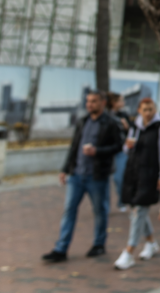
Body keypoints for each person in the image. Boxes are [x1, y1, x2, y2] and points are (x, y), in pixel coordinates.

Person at [41, 90, 123, 262]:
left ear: (102, 102)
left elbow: (118, 146)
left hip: (97, 176)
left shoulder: (110, 123)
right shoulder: (82, 122)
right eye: (88, 101)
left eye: (93, 101)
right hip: (77, 176)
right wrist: (65, 169)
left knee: (100, 211)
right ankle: (61, 249)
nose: (89, 104)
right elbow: (74, 146)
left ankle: (99, 244)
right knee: (69, 211)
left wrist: (97, 151)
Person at [114, 98, 160, 270]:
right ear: (139, 110)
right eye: (145, 109)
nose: (148, 112)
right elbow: (126, 149)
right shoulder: (135, 127)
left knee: (139, 210)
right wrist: (127, 145)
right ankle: (151, 242)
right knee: (137, 210)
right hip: (133, 173)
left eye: (151, 109)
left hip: (150, 175)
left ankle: (129, 251)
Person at [107, 92, 132, 213]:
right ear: (114, 102)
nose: (123, 103)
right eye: (121, 100)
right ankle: (105, 206)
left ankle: (121, 200)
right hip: (107, 151)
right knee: (106, 180)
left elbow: (130, 133)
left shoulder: (124, 115)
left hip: (121, 151)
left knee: (119, 178)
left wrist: (127, 127)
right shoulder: (106, 116)